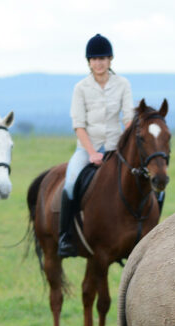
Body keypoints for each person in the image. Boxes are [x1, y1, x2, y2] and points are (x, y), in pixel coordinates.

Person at [58, 33, 134, 257]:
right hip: (87, 148)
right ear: (89, 62)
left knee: (141, 179)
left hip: (115, 147)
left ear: (110, 60)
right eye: (94, 59)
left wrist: (124, 144)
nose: (98, 63)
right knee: (70, 182)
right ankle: (65, 237)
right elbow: (78, 125)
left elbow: (128, 118)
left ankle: (142, 231)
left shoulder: (123, 84)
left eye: (102, 58)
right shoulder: (80, 88)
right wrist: (91, 153)